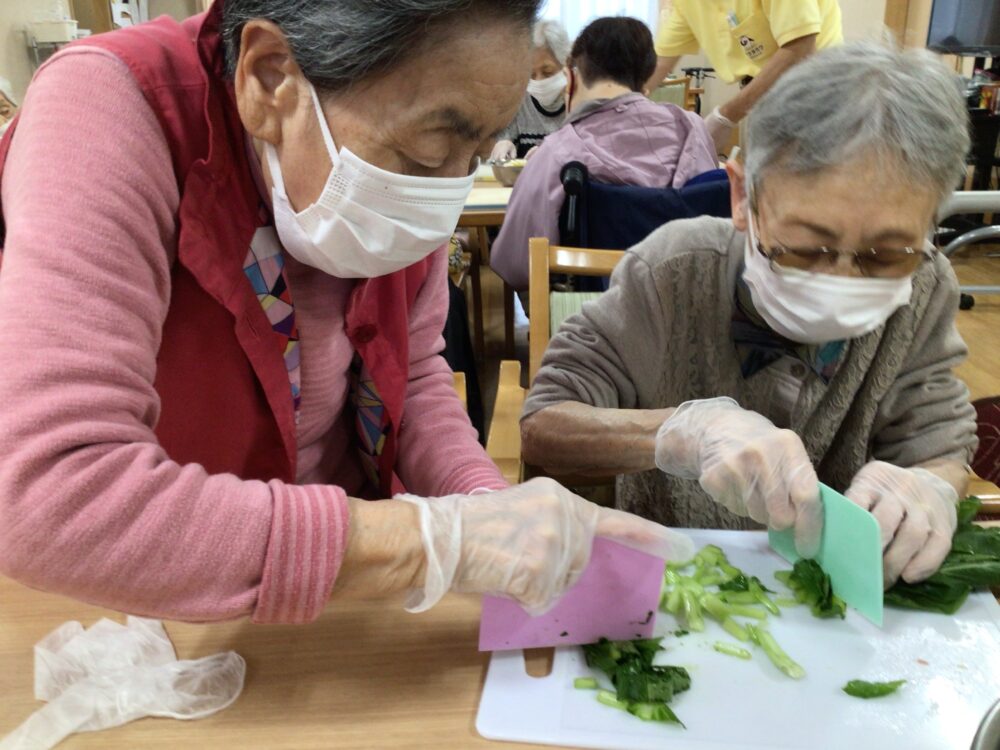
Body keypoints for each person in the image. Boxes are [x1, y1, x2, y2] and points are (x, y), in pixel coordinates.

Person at [0, 0, 691, 625]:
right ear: (271, 78)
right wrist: (428, 543)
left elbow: (416, 383)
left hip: (342, 596)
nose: (448, 190)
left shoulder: (385, 175)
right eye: (427, 152)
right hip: (155, 609)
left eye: (477, 154)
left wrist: (486, 510)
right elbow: (48, 495)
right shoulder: (115, 108)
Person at [520, 42, 978, 588]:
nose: (842, 280)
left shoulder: (925, 286)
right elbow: (545, 427)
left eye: (886, 255)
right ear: (742, 196)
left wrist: (932, 485)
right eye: (806, 248)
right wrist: (682, 432)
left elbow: (939, 439)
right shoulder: (672, 272)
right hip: (673, 587)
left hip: (833, 598)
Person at [491, 16, 717, 292]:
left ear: (571, 75)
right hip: (684, 302)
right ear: (646, 77)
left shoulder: (558, 151)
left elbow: (514, 265)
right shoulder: (692, 129)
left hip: (591, 313)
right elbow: (711, 225)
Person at [647, 0, 843, 154]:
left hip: (817, 93)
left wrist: (724, 116)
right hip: (761, 97)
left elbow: (800, 49)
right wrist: (624, 102)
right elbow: (660, 63)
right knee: (764, 187)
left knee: (811, 188)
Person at [490, 19, 572, 161]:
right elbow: (502, 141)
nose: (538, 82)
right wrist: (502, 144)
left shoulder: (579, 101)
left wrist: (554, 151)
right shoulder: (519, 98)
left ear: (567, 65)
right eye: (531, 75)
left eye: (547, 72)